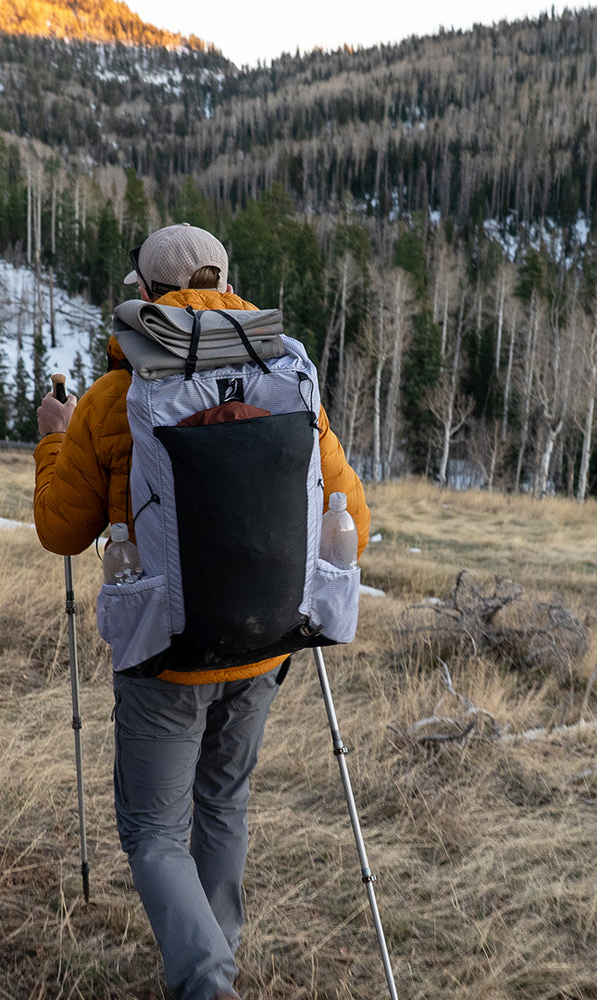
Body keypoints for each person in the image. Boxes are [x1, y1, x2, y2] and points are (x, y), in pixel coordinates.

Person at [33, 223, 369, 1000]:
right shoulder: (287, 374)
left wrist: (54, 439)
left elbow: (60, 530)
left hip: (165, 649)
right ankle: (219, 949)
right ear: (228, 284)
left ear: (142, 295)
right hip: (267, 640)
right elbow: (351, 511)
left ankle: (207, 978)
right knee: (223, 798)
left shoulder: (117, 397)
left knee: (153, 831)